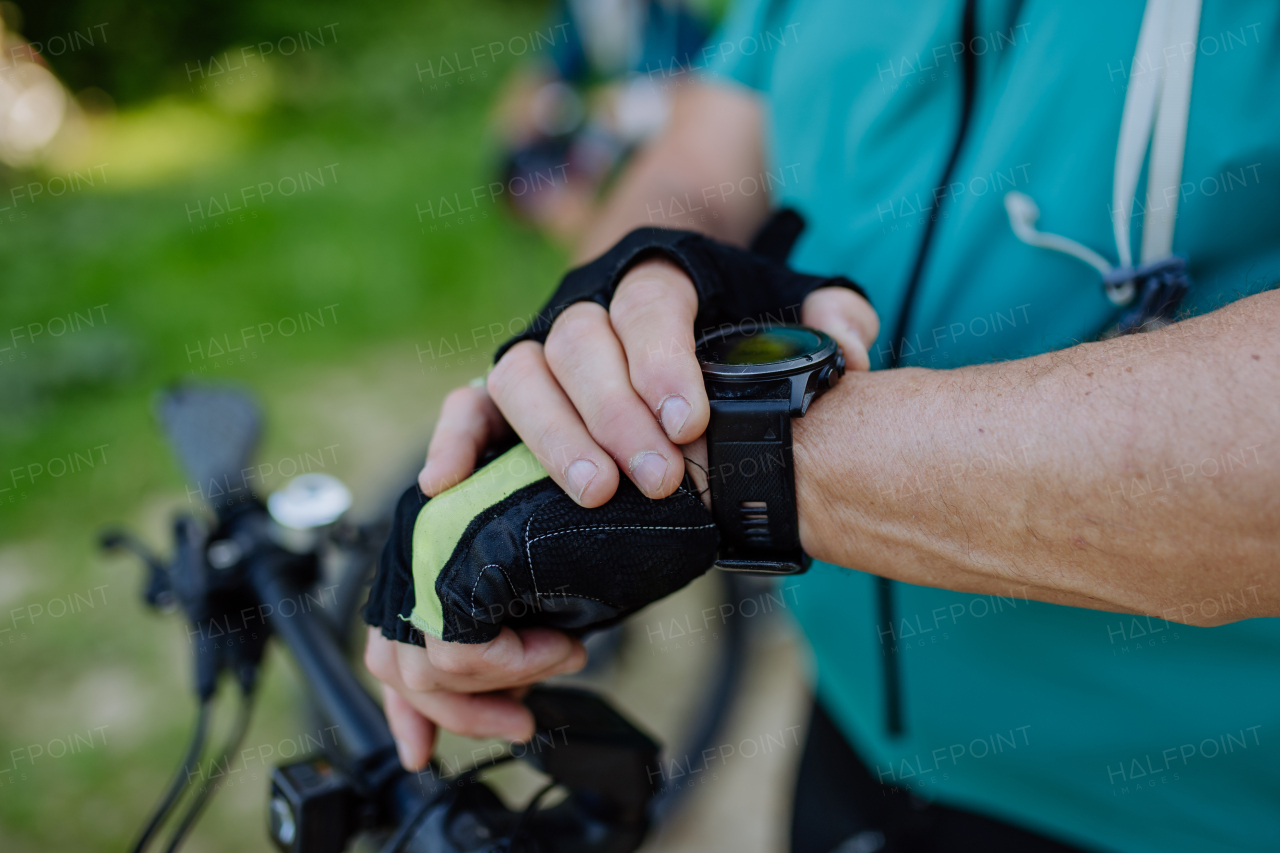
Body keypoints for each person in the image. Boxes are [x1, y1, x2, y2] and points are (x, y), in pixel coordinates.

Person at [364, 2, 1280, 851]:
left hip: (1198, 810)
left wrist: (738, 465)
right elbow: (698, 160)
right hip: (859, 739)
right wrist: (628, 294)